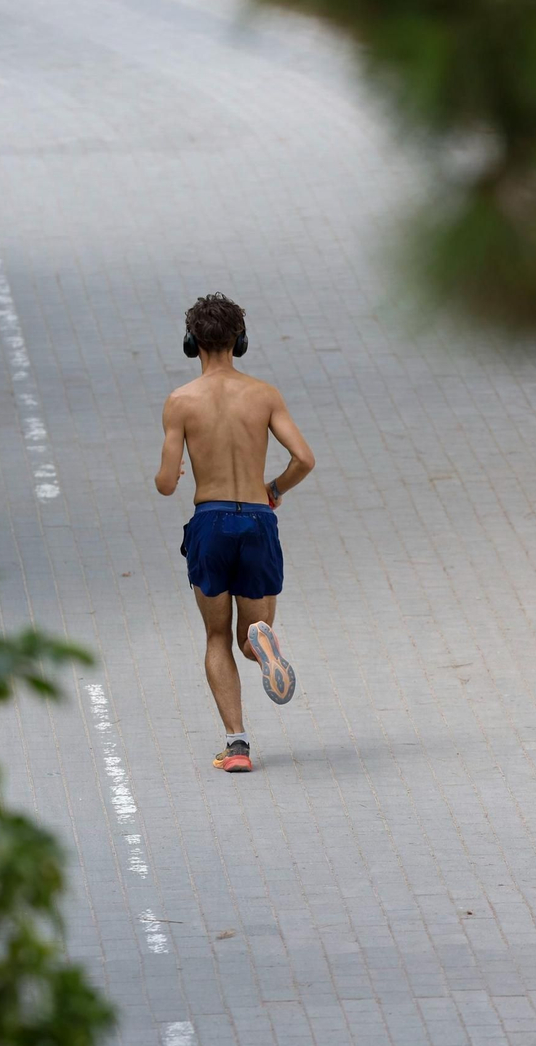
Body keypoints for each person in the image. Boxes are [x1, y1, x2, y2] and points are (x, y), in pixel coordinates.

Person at [154, 292, 315, 773]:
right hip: (257, 520)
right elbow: (304, 459)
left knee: (216, 637)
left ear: (191, 343)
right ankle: (263, 643)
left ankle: (238, 747)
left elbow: (164, 485)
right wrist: (273, 489)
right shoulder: (264, 394)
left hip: (211, 522)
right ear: (240, 341)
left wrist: (175, 473)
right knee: (250, 634)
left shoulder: (180, 401)